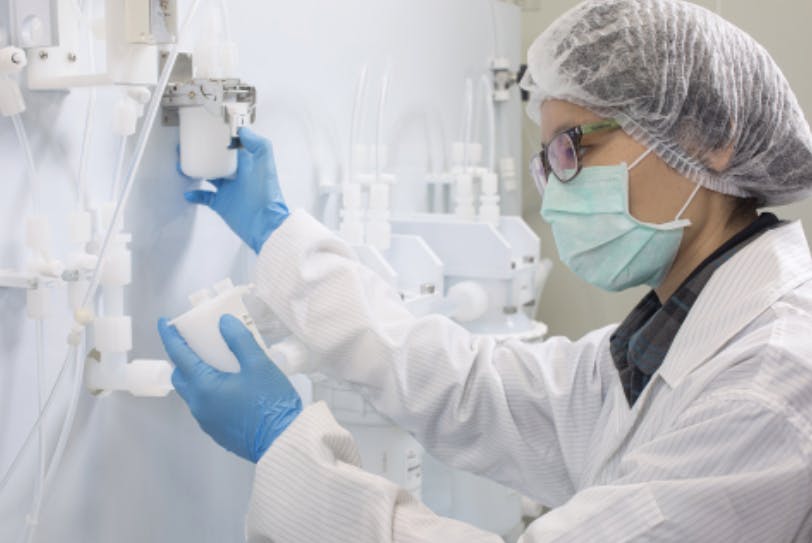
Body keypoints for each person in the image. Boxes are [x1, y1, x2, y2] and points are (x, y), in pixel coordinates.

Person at [158, 0, 812, 540]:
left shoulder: (766, 391)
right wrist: (278, 236)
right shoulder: (666, 342)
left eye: (573, 147)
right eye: (547, 162)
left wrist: (289, 449)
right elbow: (475, 388)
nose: (555, 196)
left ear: (709, 137)